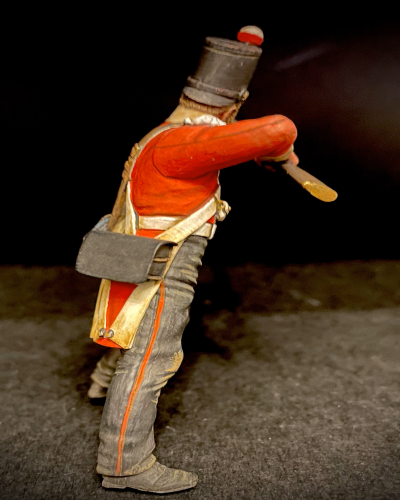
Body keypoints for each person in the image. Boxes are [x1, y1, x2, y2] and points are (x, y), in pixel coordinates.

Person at [84, 26, 298, 493]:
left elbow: (223, 147)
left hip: (133, 253)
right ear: (231, 106)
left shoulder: (166, 136)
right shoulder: (183, 143)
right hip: (164, 263)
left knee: (127, 325)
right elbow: (277, 127)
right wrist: (279, 149)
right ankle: (125, 464)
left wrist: (258, 154)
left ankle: (101, 382)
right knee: (152, 358)